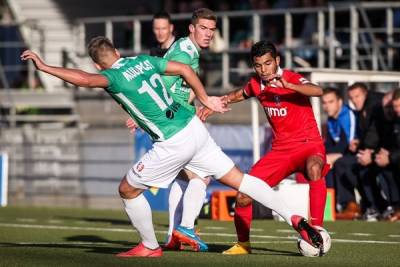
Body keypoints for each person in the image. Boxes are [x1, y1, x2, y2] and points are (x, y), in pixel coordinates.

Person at [21, 37, 322, 257]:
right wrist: (204, 98)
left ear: (99, 62)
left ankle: (150, 246)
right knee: (238, 180)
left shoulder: (110, 76)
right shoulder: (144, 60)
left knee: (127, 190)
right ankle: (296, 218)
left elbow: (84, 80)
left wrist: (44, 66)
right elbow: (185, 71)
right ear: (117, 51)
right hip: (194, 127)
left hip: (172, 141)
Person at [198, 40, 330, 255]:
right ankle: (243, 244)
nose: (263, 69)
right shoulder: (257, 84)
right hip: (281, 151)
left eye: (268, 63)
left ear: (277, 61)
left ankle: (316, 229)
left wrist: (291, 86)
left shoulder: (291, 77)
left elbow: (317, 91)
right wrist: (215, 105)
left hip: (309, 145)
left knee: (315, 168)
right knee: (243, 195)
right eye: (258, 65)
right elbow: (238, 95)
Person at [127, 8, 218, 252]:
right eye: (204, 28)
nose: (208, 34)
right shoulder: (183, 52)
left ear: (171, 30)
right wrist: (144, 114)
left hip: (175, 120)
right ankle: (184, 228)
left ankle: (173, 234)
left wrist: (195, 102)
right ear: (191, 29)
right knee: (200, 176)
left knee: (184, 177)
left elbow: (179, 86)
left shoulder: (183, 49)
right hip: (174, 124)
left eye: (212, 29)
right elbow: (162, 87)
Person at [321, 87, 361, 219]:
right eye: (324, 103)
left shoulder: (348, 115)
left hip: (358, 153)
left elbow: (350, 144)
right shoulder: (331, 119)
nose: (327, 106)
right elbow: (330, 144)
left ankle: (349, 205)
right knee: (323, 164)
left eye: (330, 102)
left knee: (340, 163)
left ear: (339, 101)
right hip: (345, 154)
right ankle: (331, 206)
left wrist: (334, 156)